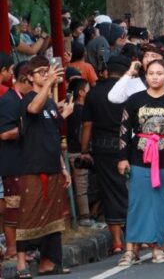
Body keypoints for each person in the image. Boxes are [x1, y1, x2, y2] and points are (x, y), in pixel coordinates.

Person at [118, 59, 164, 266]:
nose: (155, 77)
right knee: (136, 203)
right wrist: (122, 158)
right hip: (138, 156)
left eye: (159, 73)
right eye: (151, 73)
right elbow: (123, 130)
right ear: (145, 76)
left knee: (160, 203)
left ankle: (157, 247)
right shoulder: (134, 100)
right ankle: (131, 249)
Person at [16, 56, 73, 276]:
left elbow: (54, 137)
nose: (44, 75)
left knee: (54, 218)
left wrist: (63, 167)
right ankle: (21, 263)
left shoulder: (49, 101)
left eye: (46, 71)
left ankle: (49, 261)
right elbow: (32, 109)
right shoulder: (28, 98)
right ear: (29, 77)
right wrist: (49, 83)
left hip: (52, 166)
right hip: (33, 167)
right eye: (40, 72)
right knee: (28, 215)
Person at [80, 55, 132, 255]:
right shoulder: (130, 92)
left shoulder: (94, 94)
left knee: (110, 192)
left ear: (106, 71)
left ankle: (117, 242)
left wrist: (85, 151)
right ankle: (136, 239)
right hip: (128, 147)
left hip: (103, 149)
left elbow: (87, 125)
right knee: (130, 190)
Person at [0, 58, 27, 263]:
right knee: (12, 207)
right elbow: (6, 133)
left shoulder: (21, 99)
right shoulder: (9, 100)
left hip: (24, 160)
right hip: (11, 161)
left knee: (23, 208)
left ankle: (22, 250)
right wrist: (31, 129)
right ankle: (11, 249)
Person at [66, 77, 94, 226]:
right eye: (88, 89)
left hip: (73, 150)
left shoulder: (71, 109)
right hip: (78, 152)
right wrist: (85, 150)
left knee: (80, 186)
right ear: (82, 93)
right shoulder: (80, 111)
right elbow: (80, 133)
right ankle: (85, 217)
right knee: (82, 186)